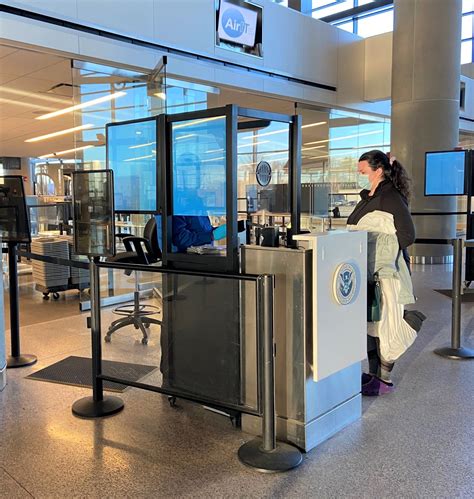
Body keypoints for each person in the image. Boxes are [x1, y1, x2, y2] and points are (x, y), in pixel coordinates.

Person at [347, 150, 425, 396]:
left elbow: (407, 235)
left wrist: (383, 251)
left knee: (387, 325)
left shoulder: (390, 196)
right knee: (369, 324)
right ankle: (372, 375)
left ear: (378, 169)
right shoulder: (367, 197)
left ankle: (384, 380)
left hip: (385, 274)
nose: (359, 172)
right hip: (365, 272)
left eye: (363, 169)